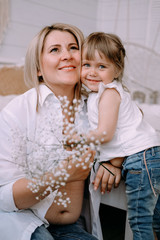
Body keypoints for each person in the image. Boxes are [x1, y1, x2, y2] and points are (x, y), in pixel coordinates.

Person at [0, 23, 100, 240]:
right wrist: (61, 176)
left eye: (73, 48)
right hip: (24, 217)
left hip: (71, 226)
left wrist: (114, 163)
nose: (67, 55)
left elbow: (133, 136)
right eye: (55, 50)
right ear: (38, 68)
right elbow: (4, 197)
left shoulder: (96, 108)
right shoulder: (17, 111)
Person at [79, 31, 160, 240]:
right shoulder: (99, 94)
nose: (92, 72)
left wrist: (77, 137)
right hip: (148, 157)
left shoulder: (109, 94)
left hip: (140, 159)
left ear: (117, 70)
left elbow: (105, 134)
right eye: (86, 65)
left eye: (102, 66)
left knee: (140, 222)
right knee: (156, 219)